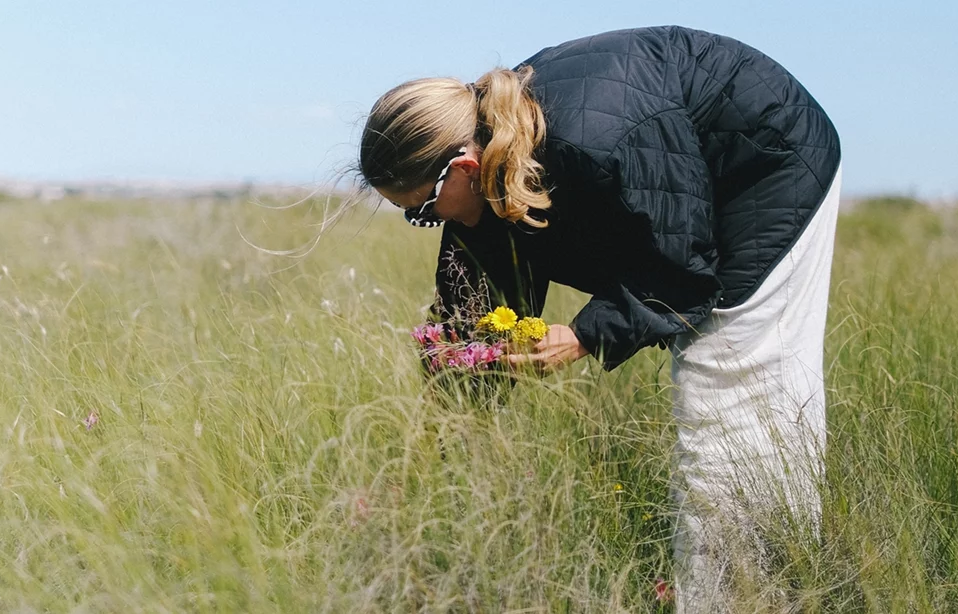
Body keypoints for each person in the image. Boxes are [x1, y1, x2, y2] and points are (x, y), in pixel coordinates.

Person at [358, 25, 841, 612]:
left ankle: (748, 596)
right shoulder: (496, 151)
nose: (428, 224)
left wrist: (585, 334)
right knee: (715, 395)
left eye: (423, 212)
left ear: (460, 167)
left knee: (727, 393)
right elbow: (472, 325)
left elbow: (683, 272)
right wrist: (417, 459)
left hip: (768, 170)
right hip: (679, 184)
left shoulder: (599, 138)